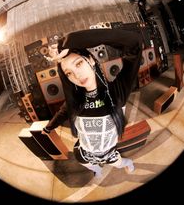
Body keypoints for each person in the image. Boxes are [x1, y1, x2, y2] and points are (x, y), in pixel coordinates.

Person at [43, 28, 142, 178]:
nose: (76, 75)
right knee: (93, 168)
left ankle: (128, 164)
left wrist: (70, 42)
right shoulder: (75, 100)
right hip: (83, 154)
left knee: (122, 164)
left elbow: (134, 43)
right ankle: (97, 170)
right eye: (68, 73)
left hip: (110, 154)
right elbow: (63, 112)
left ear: (90, 59)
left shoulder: (117, 91)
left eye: (78, 64)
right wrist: (49, 128)